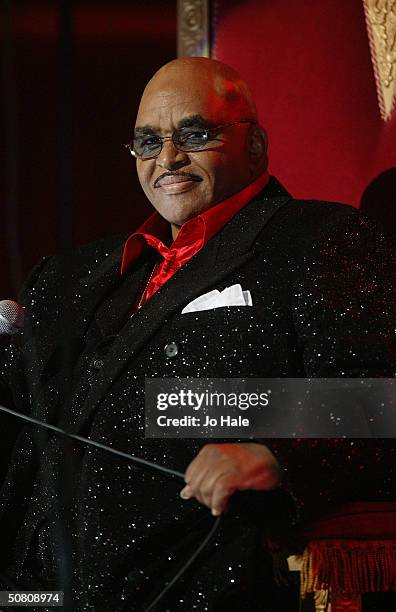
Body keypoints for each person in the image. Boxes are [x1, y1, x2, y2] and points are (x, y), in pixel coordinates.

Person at [0, 57, 394, 611]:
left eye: (195, 134)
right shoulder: (68, 277)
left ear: (254, 146)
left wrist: (271, 449)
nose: (168, 159)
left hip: (197, 582)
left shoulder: (315, 239)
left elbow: (378, 397)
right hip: (33, 591)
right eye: (147, 141)